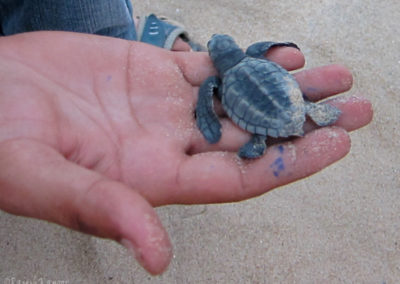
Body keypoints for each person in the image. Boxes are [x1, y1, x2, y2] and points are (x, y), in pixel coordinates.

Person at [0, 1, 373, 275]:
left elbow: (205, 106)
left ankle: (261, 139)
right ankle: (303, 112)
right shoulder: (255, 57)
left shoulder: (215, 81)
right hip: (274, 88)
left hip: (252, 96)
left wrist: (206, 119)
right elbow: (267, 53)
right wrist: (279, 45)